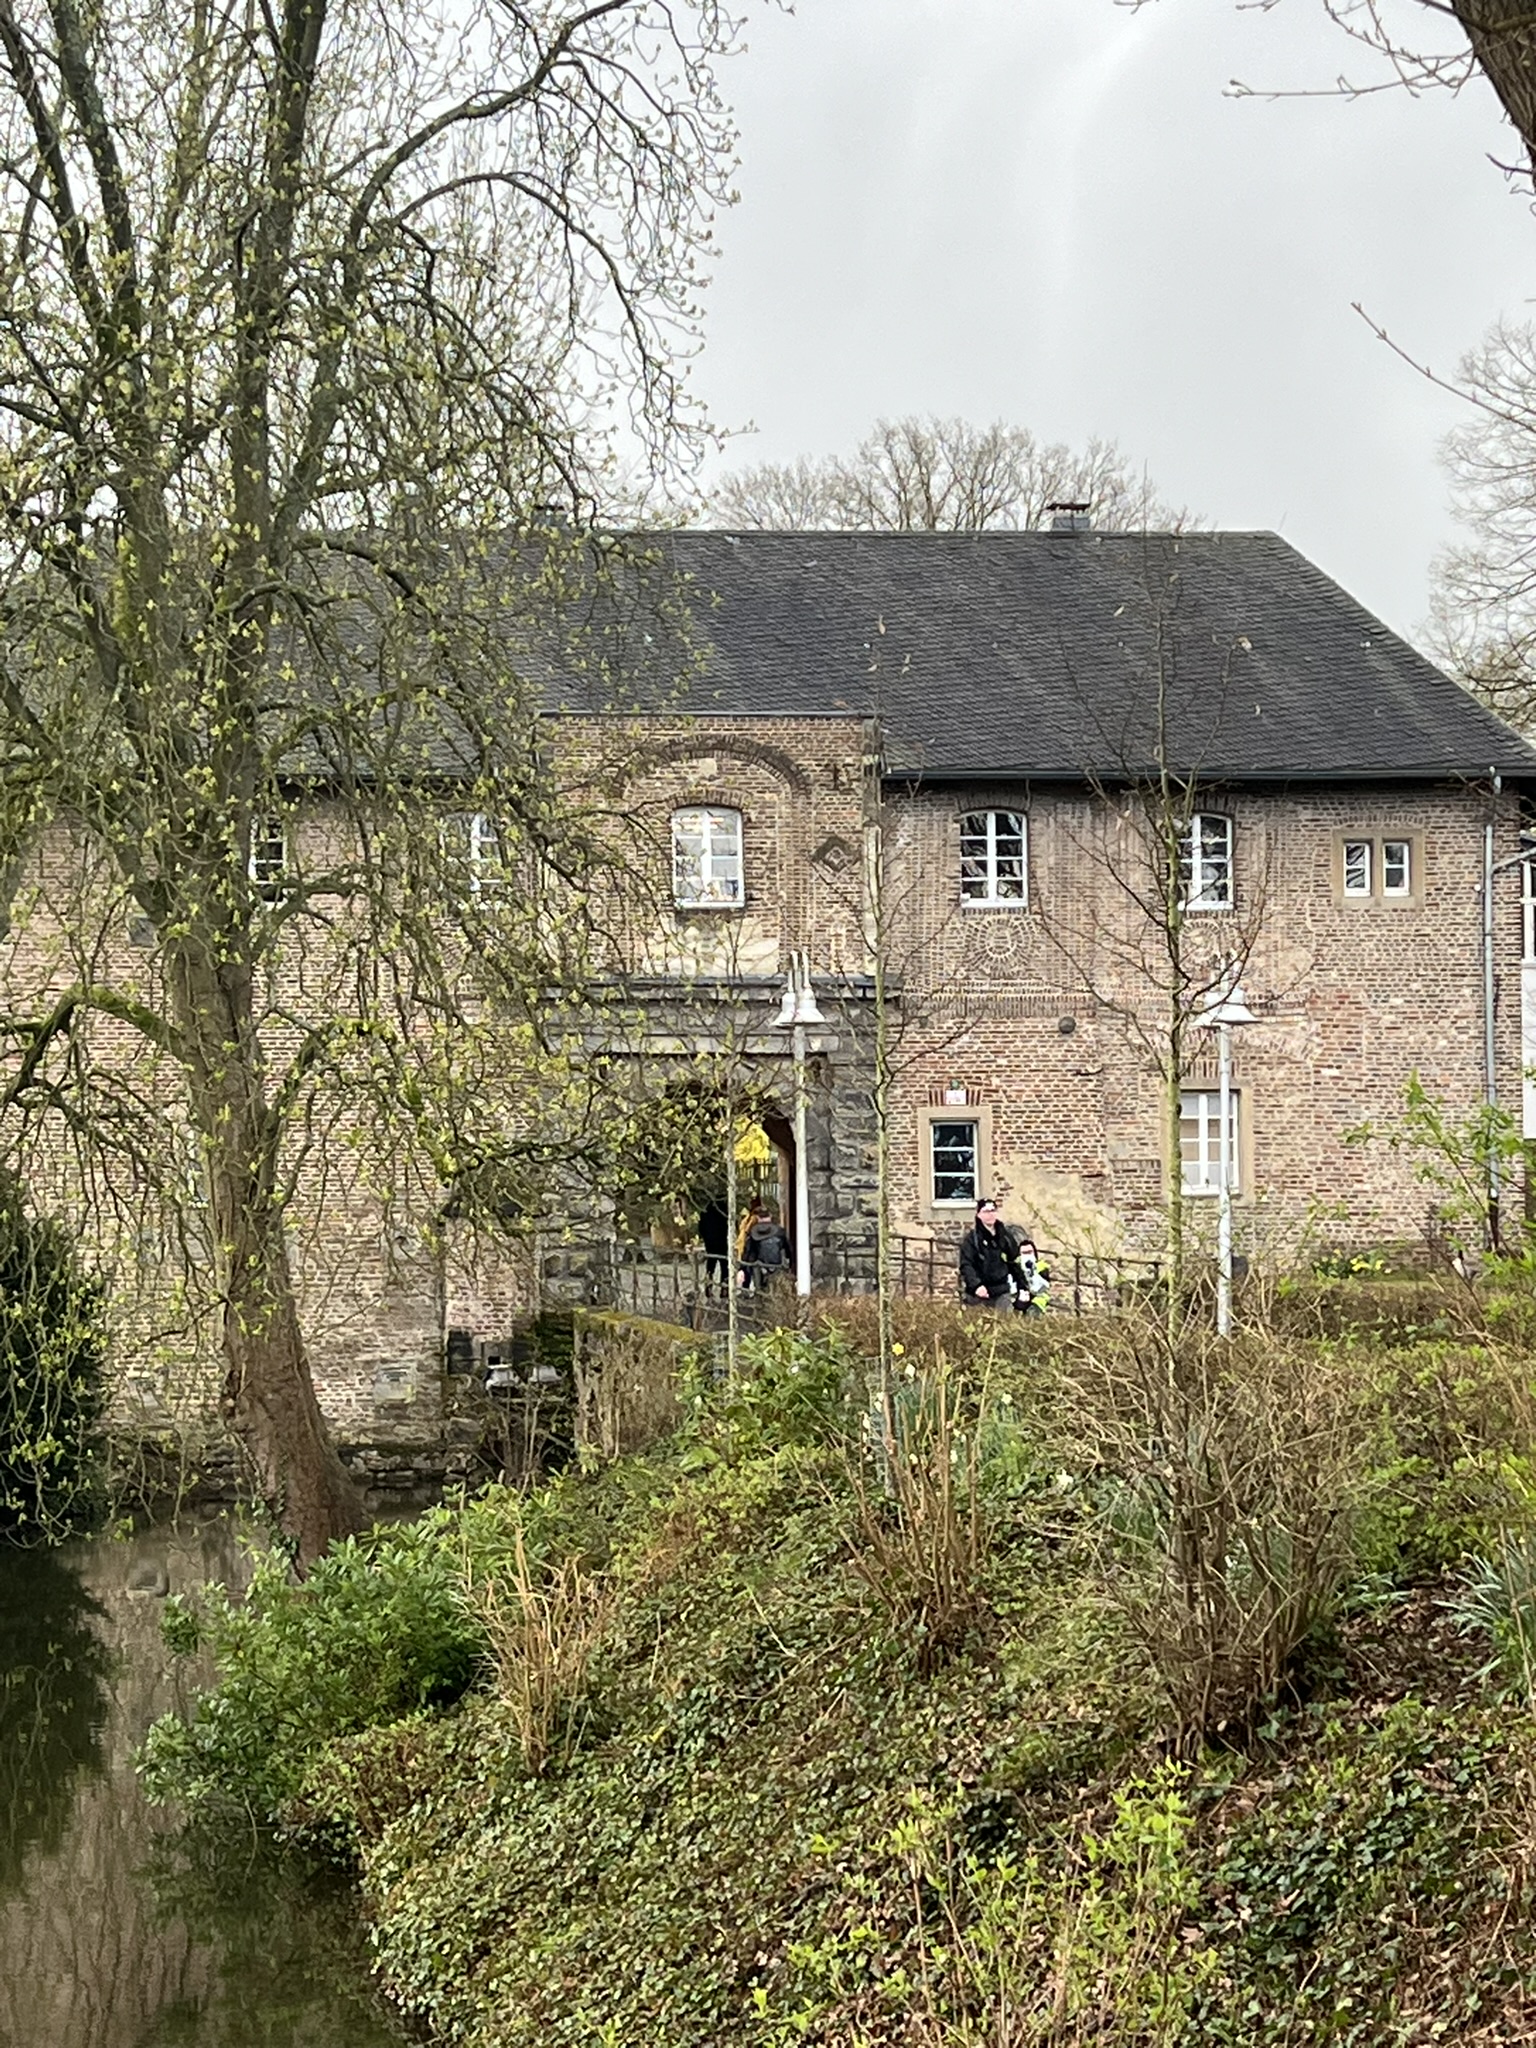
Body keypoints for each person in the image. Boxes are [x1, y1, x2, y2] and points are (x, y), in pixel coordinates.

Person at [958, 1197, 1022, 1308]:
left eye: (992, 1210)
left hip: (1002, 1290)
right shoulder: (972, 1240)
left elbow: (1014, 1262)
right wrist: (976, 1285)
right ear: (979, 1214)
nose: (990, 1214)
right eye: (986, 1211)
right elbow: (966, 1265)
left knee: (1005, 1317)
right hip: (978, 1293)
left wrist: (1022, 1287)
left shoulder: (1005, 1237)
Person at [740, 1200, 792, 1289]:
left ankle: (759, 1292)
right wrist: (790, 1264)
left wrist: (742, 1268)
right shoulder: (780, 1231)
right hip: (777, 1266)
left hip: (759, 1266)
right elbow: (789, 1249)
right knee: (776, 1289)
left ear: (757, 1218)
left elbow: (748, 1252)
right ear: (770, 1216)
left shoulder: (752, 1232)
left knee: (759, 1289)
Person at [697, 1191, 731, 1296]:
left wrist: (705, 1238)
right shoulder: (725, 1211)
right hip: (723, 1242)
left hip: (710, 1242)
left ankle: (708, 1287)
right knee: (724, 1266)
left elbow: (701, 1227)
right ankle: (724, 1289)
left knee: (710, 1265)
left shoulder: (705, 1211)